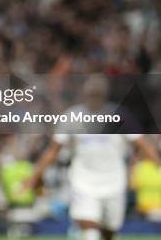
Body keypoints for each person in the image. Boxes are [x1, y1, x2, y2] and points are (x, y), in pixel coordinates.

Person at [24, 76, 161, 240]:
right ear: (85, 93)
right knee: (89, 228)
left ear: (105, 95)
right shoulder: (72, 117)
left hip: (114, 182)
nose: (94, 97)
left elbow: (141, 143)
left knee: (109, 229)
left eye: (97, 94)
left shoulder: (119, 115)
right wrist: (34, 176)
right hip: (83, 182)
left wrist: (158, 164)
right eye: (91, 93)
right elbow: (53, 150)